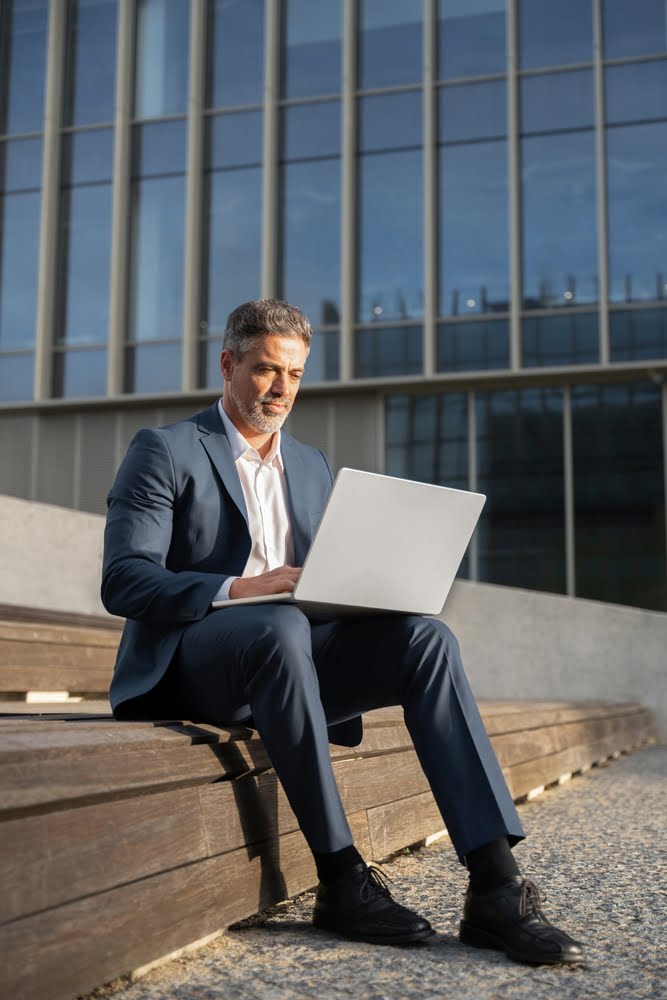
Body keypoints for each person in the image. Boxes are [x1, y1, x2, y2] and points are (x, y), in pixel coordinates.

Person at [102, 298, 583, 964]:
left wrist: (373, 594)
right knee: (274, 624)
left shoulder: (312, 466)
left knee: (425, 639)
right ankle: (339, 876)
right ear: (228, 364)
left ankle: (495, 887)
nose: (280, 390)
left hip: (292, 657)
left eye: (294, 375)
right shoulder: (166, 450)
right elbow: (124, 580)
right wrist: (238, 588)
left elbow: (326, 586)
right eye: (266, 370)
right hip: (195, 666)